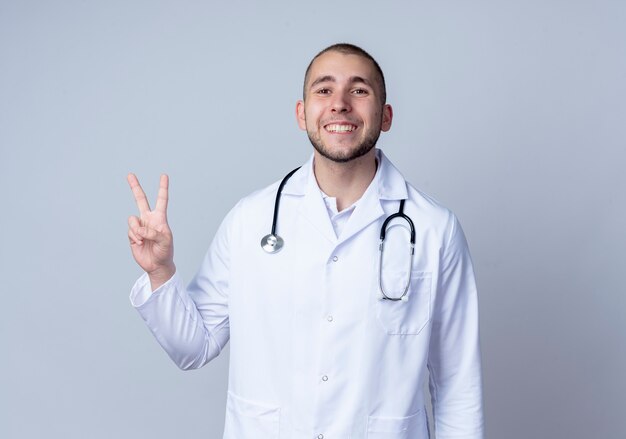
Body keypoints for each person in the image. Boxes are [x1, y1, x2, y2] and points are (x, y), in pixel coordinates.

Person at [127, 43, 484, 439]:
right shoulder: (250, 220)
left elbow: (457, 384)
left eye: (359, 90)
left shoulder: (434, 229)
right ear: (302, 114)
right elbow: (193, 347)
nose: (340, 104)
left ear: (385, 116)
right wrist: (161, 272)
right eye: (324, 90)